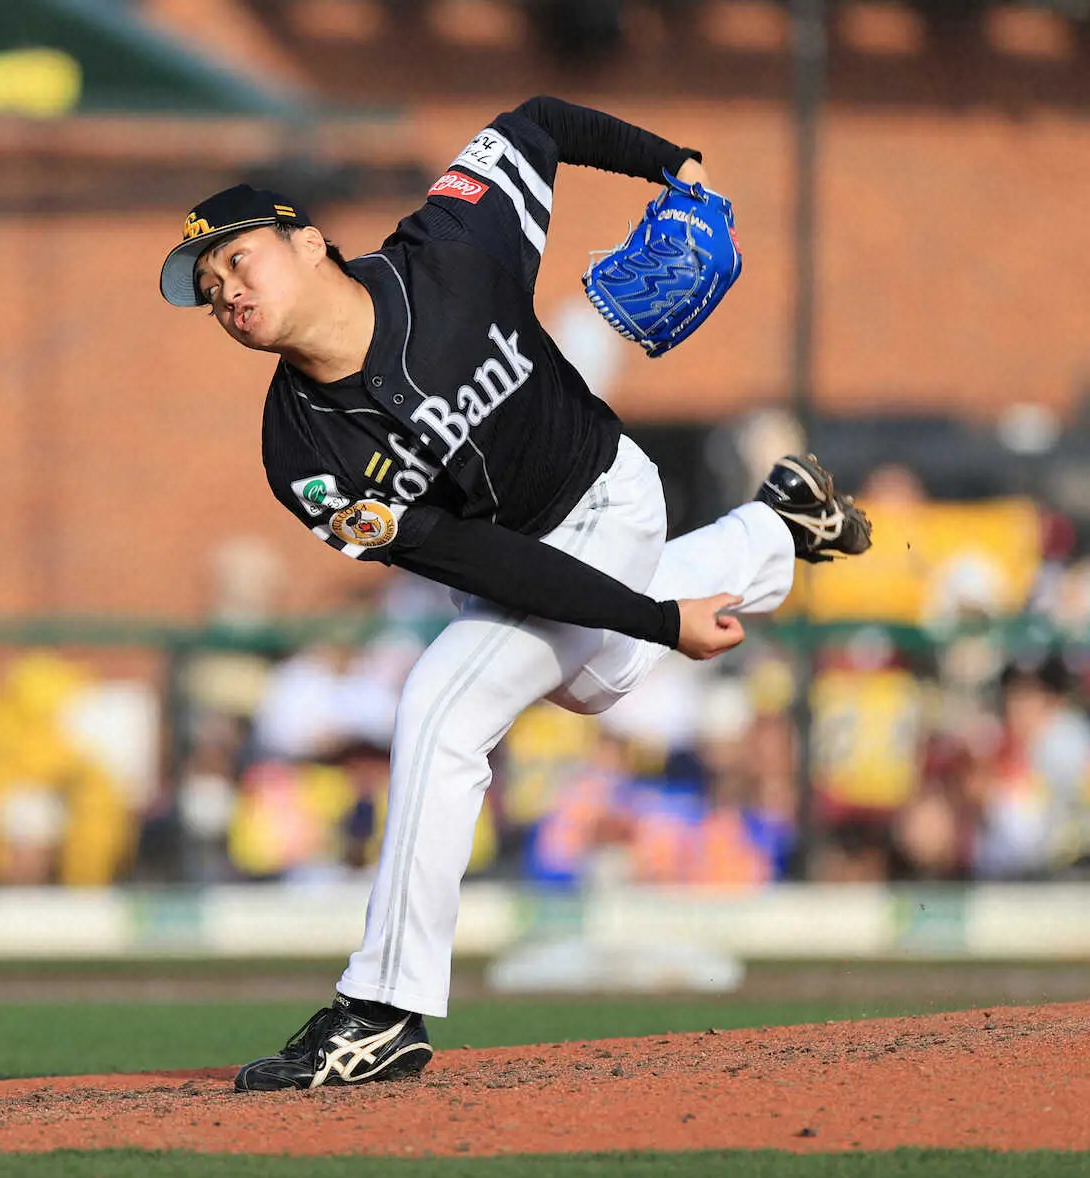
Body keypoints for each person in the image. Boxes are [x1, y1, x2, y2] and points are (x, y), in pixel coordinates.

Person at [159, 95, 871, 1090]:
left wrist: (675, 161)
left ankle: (382, 1008)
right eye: (207, 289)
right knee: (599, 677)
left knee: (441, 705)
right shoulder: (304, 457)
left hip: (605, 493)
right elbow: (482, 563)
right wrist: (656, 620)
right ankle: (776, 529)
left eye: (238, 260)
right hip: (514, 560)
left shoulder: (452, 246)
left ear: (309, 241)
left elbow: (536, 122)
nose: (226, 291)